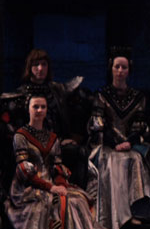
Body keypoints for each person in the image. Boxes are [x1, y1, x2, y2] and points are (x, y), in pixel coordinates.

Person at [4, 94, 121, 229]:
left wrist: (61, 184)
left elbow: (57, 167)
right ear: (28, 109)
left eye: (43, 107)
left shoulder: (52, 137)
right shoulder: (21, 136)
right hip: (28, 187)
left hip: (51, 183)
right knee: (54, 204)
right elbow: (25, 170)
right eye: (36, 107)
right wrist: (51, 188)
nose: (39, 110)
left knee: (77, 199)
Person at [87, 47, 150, 229]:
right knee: (112, 161)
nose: (120, 71)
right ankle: (115, 217)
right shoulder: (101, 95)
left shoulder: (138, 97)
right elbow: (98, 121)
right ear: (111, 68)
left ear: (129, 70)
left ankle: (135, 213)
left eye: (124, 68)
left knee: (134, 159)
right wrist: (113, 142)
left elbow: (140, 122)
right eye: (117, 67)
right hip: (107, 145)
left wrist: (130, 141)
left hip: (131, 145)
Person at [0, 49, 92, 189]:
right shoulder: (20, 97)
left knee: (80, 152)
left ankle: (77, 192)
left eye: (44, 64)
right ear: (29, 67)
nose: (40, 69)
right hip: (31, 147)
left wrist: (67, 137)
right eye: (36, 65)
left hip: (56, 143)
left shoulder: (57, 91)